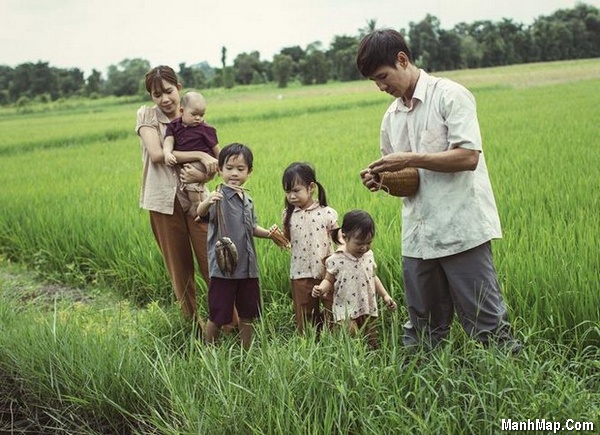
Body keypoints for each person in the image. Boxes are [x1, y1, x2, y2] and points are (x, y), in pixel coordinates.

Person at [356, 29, 521, 352]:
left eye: (383, 76)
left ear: (402, 60)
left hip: (461, 229)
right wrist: (382, 181)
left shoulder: (450, 95)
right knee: (422, 326)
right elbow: (407, 178)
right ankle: (417, 389)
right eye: (375, 82)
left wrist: (411, 158)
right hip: (418, 238)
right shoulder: (391, 118)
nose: (381, 87)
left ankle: (509, 386)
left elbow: (468, 156)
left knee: (486, 323)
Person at [136, 66, 238, 334]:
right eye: (156, 94)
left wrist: (204, 169)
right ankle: (193, 327)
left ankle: (230, 324)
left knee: (213, 262)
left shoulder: (195, 116)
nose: (164, 99)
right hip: (163, 203)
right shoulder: (146, 115)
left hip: (198, 201)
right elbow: (158, 155)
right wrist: (200, 156)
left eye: (168, 91)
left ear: (178, 88)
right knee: (180, 271)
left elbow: (218, 161)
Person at [197, 143, 281, 348]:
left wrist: (269, 234)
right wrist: (208, 201)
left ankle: (247, 350)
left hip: (247, 268)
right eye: (229, 168)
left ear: (249, 172)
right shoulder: (218, 196)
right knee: (218, 314)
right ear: (220, 170)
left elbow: (252, 228)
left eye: (240, 169)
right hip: (224, 270)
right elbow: (200, 213)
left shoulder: (248, 199)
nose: (234, 173)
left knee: (247, 313)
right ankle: (210, 351)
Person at [312, 210, 397, 349]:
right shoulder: (336, 259)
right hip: (345, 306)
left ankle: (373, 358)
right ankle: (353, 360)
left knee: (371, 337)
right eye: (359, 243)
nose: (364, 247)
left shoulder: (369, 255)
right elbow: (329, 280)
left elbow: (373, 277)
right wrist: (321, 289)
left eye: (368, 242)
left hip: (367, 303)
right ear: (345, 238)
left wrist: (385, 296)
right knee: (352, 336)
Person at [281, 162, 338, 334]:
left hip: (327, 271)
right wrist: (277, 237)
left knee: (332, 310)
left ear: (311, 187)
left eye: (296, 190)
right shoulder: (288, 214)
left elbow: (339, 239)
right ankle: (311, 343)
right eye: (288, 191)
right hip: (300, 272)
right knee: (305, 313)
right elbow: (287, 240)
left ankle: (334, 341)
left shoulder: (327, 212)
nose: (291, 196)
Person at [163, 91, 219, 219]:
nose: (198, 118)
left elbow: (216, 149)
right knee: (190, 177)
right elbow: (168, 141)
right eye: (194, 114)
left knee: (190, 176)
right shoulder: (174, 126)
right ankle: (200, 204)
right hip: (191, 160)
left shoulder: (205, 129)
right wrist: (167, 153)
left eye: (201, 115)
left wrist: (220, 164)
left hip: (204, 162)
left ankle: (196, 205)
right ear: (182, 111)